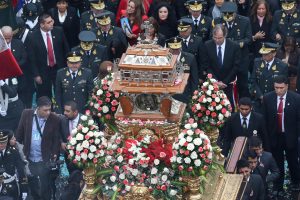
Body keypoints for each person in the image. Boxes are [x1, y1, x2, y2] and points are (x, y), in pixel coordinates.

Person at [16, 96, 61, 200]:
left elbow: (56, 140)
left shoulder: (54, 119)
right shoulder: (26, 114)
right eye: (45, 110)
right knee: (32, 185)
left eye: (50, 109)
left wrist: (54, 155)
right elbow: (19, 134)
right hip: (29, 157)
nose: (48, 112)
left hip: (44, 159)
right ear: (38, 108)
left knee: (45, 186)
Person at [262, 75, 300, 195]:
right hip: (275, 136)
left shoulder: (296, 98)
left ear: (287, 86)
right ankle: (278, 186)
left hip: (290, 136)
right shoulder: (268, 98)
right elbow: (265, 120)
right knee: (277, 163)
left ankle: (296, 182)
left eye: (281, 88)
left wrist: (296, 136)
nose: (278, 90)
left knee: (293, 161)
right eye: (276, 87)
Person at [27, 13, 69, 100]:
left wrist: (67, 68)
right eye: (49, 22)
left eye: (52, 21)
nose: (52, 23)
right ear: (42, 25)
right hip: (43, 70)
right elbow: (32, 58)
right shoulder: (32, 37)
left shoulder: (59, 31)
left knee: (61, 92)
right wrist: (36, 75)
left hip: (59, 68)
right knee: (44, 95)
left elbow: (66, 50)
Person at [215, 1, 251, 98]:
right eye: (225, 13)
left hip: (241, 58)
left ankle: (244, 105)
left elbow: (248, 38)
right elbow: (213, 37)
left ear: (235, 13)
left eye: (230, 13)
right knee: (227, 84)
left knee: (243, 85)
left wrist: (235, 44)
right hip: (226, 60)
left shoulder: (245, 21)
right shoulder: (218, 21)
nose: (227, 16)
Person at [203, 24, 241, 108]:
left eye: (219, 38)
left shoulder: (234, 46)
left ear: (225, 35)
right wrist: (216, 81)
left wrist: (224, 82)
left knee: (229, 107)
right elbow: (206, 65)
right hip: (213, 83)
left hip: (229, 84)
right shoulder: (207, 45)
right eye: (214, 37)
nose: (217, 40)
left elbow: (236, 66)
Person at [250, 42, 288, 112]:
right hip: (259, 99)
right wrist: (260, 95)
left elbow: (282, 85)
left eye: (266, 54)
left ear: (274, 53)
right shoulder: (257, 62)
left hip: (274, 99)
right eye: (262, 54)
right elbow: (253, 81)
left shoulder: (282, 66)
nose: (263, 56)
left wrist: (268, 97)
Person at [1, 26, 31, 109]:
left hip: (19, 77)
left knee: (22, 98)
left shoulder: (18, 43)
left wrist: (13, 66)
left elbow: (24, 58)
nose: (7, 41)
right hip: (4, 80)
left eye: (9, 38)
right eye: (5, 38)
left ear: (12, 35)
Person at [166, 37, 199, 104]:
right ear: (168, 48)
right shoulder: (164, 59)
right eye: (173, 49)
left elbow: (194, 79)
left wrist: (194, 96)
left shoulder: (190, 58)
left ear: (181, 47)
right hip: (168, 94)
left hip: (185, 94)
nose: (176, 51)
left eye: (177, 48)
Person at [0, 130, 28, 200]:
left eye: (4, 143)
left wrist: (24, 189)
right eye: (0, 143)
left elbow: (21, 171)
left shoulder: (13, 152)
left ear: (7, 142)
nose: (1, 145)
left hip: (11, 187)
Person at [60, 101, 82, 173]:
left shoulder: (85, 120)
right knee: (72, 177)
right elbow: (58, 133)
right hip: (68, 156)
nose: (64, 113)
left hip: (83, 157)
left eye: (67, 111)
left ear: (75, 112)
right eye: (64, 110)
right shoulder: (62, 120)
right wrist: (61, 142)